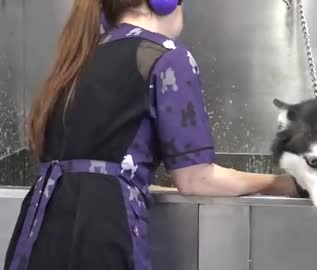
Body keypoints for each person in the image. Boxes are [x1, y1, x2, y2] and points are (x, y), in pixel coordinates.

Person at [4, 0, 298, 269]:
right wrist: (281, 183)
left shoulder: (79, 56)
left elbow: (95, 163)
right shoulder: (166, 57)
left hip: (37, 232)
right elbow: (197, 179)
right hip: (103, 235)